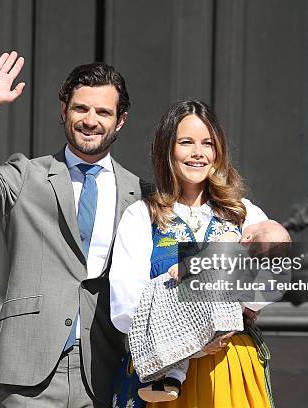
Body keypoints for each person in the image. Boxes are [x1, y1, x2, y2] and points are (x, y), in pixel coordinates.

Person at [0, 51, 288, 408]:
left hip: (104, 367)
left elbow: (274, 270)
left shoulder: (142, 195)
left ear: (120, 121)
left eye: (103, 112)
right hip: (32, 367)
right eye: (81, 109)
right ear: (64, 111)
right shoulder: (27, 177)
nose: (91, 120)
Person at [110, 99, 281, 407]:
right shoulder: (141, 215)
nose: (198, 153)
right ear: (167, 150)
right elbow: (125, 306)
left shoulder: (242, 214)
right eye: (186, 142)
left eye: (207, 143)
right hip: (161, 368)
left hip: (230, 367)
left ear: (218, 152)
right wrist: (192, 339)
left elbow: (273, 280)